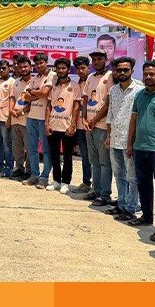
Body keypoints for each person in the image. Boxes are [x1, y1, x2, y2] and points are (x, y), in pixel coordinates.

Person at [126, 60, 155, 231]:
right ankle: (146, 216)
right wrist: (129, 143)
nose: (148, 77)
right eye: (145, 74)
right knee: (143, 184)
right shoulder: (139, 95)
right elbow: (134, 120)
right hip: (140, 147)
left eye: (152, 74)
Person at [104, 57, 143, 222]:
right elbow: (110, 114)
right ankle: (121, 204)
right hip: (115, 139)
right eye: (119, 70)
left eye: (125, 70)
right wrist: (108, 135)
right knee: (119, 175)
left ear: (132, 71)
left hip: (130, 141)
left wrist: (134, 140)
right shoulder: (113, 90)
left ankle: (131, 208)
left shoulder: (139, 90)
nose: (122, 72)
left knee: (132, 178)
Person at [82, 50, 115, 206]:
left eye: (99, 59)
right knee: (94, 161)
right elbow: (85, 99)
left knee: (104, 163)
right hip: (89, 126)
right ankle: (96, 190)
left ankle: (105, 194)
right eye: (94, 59)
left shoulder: (110, 77)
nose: (96, 62)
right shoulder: (90, 77)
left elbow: (108, 103)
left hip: (102, 126)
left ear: (106, 59)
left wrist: (94, 120)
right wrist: (84, 119)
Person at [45, 58, 81, 194]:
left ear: (68, 70)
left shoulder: (75, 86)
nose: (60, 70)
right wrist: (46, 123)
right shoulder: (53, 86)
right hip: (53, 125)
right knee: (54, 155)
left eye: (63, 68)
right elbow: (49, 106)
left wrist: (73, 125)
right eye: (58, 68)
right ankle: (56, 181)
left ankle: (65, 182)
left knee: (67, 156)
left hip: (67, 127)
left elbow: (76, 107)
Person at [23, 52, 56, 189]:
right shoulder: (35, 77)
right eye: (36, 64)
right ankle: (35, 175)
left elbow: (45, 93)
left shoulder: (52, 75)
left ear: (46, 62)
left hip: (44, 118)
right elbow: (26, 96)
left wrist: (34, 93)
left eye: (41, 63)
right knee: (32, 149)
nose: (39, 66)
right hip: (32, 117)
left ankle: (44, 177)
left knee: (46, 151)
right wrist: (38, 93)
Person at [71, 56, 93, 193]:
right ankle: (86, 182)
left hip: (91, 125)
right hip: (79, 126)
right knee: (85, 156)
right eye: (78, 68)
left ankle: (97, 186)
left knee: (95, 157)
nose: (80, 71)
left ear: (88, 68)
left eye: (83, 68)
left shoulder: (93, 82)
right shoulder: (75, 85)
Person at [9, 56, 32, 181]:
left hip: (28, 120)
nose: (23, 69)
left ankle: (29, 171)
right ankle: (19, 168)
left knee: (29, 147)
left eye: (25, 66)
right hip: (15, 119)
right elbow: (12, 97)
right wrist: (11, 109)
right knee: (17, 148)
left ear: (30, 67)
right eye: (20, 67)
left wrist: (22, 111)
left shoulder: (34, 82)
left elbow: (34, 101)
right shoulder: (16, 81)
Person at [0, 60, 15, 177]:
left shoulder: (12, 82)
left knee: (7, 144)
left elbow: (12, 101)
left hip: (5, 118)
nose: (1, 70)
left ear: (9, 68)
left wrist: (9, 118)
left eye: (4, 68)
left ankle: (9, 166)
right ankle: (0, 164)